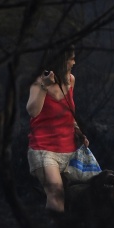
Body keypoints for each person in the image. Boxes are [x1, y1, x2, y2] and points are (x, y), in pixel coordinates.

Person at [26, 45, 88, 213]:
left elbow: (68, 112)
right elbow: (32, 111)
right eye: (71, 59)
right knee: (56, 194)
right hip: (43, 149)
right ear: (61, 62)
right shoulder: (39, 82)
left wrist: (78, 131)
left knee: (77, 198)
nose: (74, 63)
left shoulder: (71, 80)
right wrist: (44, 88)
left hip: (68, 150)